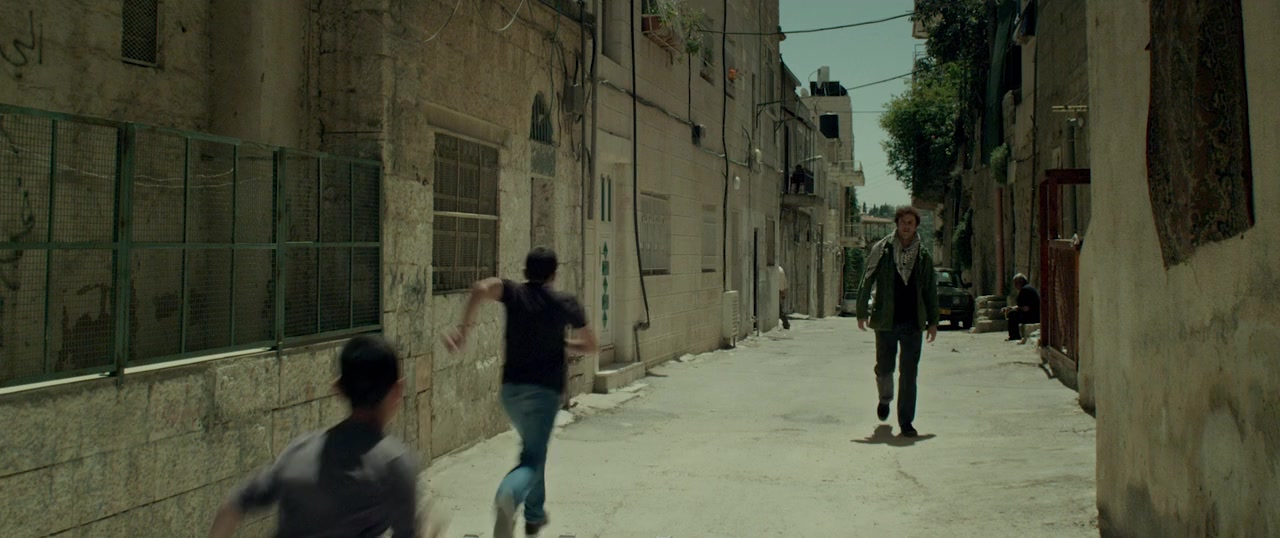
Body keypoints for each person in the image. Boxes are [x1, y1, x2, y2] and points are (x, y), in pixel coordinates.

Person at [209, 335, 441, 538]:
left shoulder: (299, 449)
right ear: (397, 390)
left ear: (338, 389)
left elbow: (232, 506)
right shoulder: (394, 463)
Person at [443, 247, 598, 538]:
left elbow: (480, 288)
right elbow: (591, 345)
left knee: (533, 451)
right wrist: (564, 345)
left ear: (525, 271)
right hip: (545, 394)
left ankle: (534, 515)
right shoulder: (565, 302)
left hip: (512, 392)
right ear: (554, 274)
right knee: (532, 458)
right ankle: (509, 495)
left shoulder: (514, 293)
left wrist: (463, 332)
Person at [854, 206, 939, 438]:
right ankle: (885, 398)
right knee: (885, 368)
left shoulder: (923, 255)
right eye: (903, 222)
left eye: (911, 223)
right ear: (897, 224)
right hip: (885, 320)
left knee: (909, 374)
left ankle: (906, 422)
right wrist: (861, 311)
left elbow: (930, 289)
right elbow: (867, 278)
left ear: (916, 226)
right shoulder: (882, 250)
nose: (906, 226)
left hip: (913, 322)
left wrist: (933, 321)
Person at [1003, 273, 1041, 342]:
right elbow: (1022, 306)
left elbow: (1026, 308)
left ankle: (1014, 336)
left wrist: (1013, 310)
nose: (1015, 285)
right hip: (1036, 315)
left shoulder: (1024, 290)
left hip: (1033, 316)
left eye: (1016, 283)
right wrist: (1011, 308)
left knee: (1013, 314)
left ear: (1020, 282)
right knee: (1013, 312)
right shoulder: (1028, 288)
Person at [775, 264, 790, 330]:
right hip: (779, 290)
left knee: (779, 309)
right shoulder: (780, 269)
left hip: (777, 291)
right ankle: (786, 323)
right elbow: (784, 283)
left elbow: (781, 283)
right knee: (779, 308)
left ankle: (786, 323)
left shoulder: (778, 270)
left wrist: (782, 292)